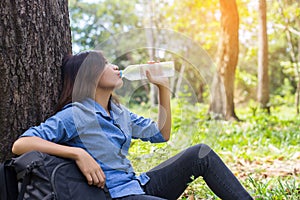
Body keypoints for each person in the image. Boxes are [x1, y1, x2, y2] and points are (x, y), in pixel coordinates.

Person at [12, 50, 253, 200]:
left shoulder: (119, 112)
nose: (114, 67)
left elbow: (161, 133)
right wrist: (77, 152)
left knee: (201, 154)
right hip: (114, 195)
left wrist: (162, 88)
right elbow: (21, 144)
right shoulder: (76, 114)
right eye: (105, 63)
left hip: (139, 186)